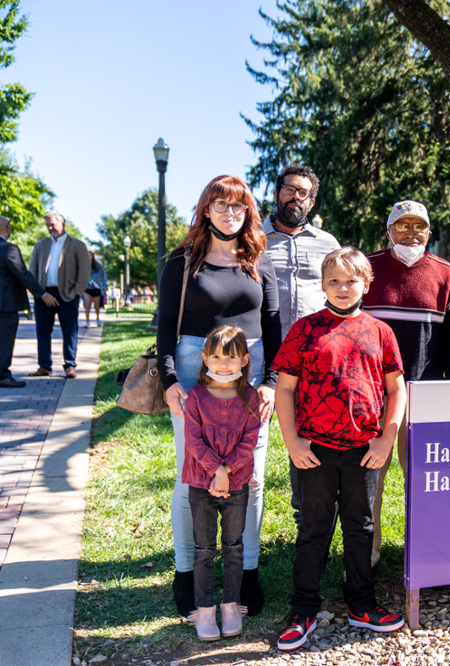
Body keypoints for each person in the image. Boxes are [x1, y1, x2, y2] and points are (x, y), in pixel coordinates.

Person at [157, 175, 281, 619]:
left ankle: (246, 572)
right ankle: (187, 572)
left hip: (253, 366)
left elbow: (272, 322)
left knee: (252, 475)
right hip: (194, 366)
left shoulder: (258, 260)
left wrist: (270, 382)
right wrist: (170, 380)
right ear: (206, 210)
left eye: (239, 207)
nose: (231, 214)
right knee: (191, 474)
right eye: (221, 206)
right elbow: (165, 321)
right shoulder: (182, 261)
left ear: (248, 213)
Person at [272, 247, 406, 651]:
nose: (343, 288)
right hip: (314, 449)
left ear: (366, 283)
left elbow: (396, 388)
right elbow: (285, 388)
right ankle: (303, 609)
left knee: (360, 527)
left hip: (365, 449)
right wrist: (292, 440)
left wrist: (387, 436)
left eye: (351, 281)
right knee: (313, 528)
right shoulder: (304, 329)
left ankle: (361, 604)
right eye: (334, 280)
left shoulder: (380, 331)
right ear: (322, 285)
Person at [364, 200, 450, 565]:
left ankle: (426, 551)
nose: (411, 233)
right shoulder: (367, 270)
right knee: (368, 482)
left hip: (423, 398)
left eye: (419, 226)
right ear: (389, 230)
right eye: (402, 225)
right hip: (370, 399)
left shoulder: (447, 276)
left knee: (425, 482)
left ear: (429, 231)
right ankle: (369, 552)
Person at [262, 164, 340, 525]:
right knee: (253, 436)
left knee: (309, 438)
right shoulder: (253, 238)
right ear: (277, 192)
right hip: (261, 354)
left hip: (313, 358)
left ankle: (307, 520)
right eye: (290, 189)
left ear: (312, 201)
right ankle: (242, 522)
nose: (296, 197)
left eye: (304, 192)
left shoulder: (327, 244)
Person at [183, 325, 260, 642]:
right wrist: (216, 470)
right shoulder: (196, 397)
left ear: (244, 360)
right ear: (204, 359)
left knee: (233, 546)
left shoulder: (250, 396)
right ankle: (204, 610)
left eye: (230, 357)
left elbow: (249, 440)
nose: (223, 363)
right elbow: (193, 440)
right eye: (215, 356)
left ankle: (230, 605)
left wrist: (227, 470)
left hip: (238, 484)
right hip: (201, 485)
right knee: (203, 549)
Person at [26, 212, 89, 379]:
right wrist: (40, 293)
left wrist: (76, 293)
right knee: (42, 332)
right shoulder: (40, 245)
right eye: (47, 224)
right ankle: (44, 366)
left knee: (69, 331)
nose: (50, 227)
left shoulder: (77, 245)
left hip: (67, 296)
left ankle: (70, 365)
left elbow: (84, 272)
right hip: (44, 294)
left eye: (52, 224)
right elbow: (32, 272)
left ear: (63, 224)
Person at [0, 215, 58, 388]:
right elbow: (23, 274)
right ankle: (2, 375)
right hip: (6, 304)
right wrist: (42, 294)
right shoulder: (8, 248)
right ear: (7, 228)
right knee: (4, 340)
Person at [82, 250, 107, 328]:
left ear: (93, 256)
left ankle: (97, 318)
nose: (89, 257)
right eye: (87, 255)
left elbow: (103, 276)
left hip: (96, 288)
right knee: (87, 305)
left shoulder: (98, 266)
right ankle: (87, 322)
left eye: (90, 255)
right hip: (86, 288)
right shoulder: (83, 266)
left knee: (96, 306)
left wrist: (105, 286)